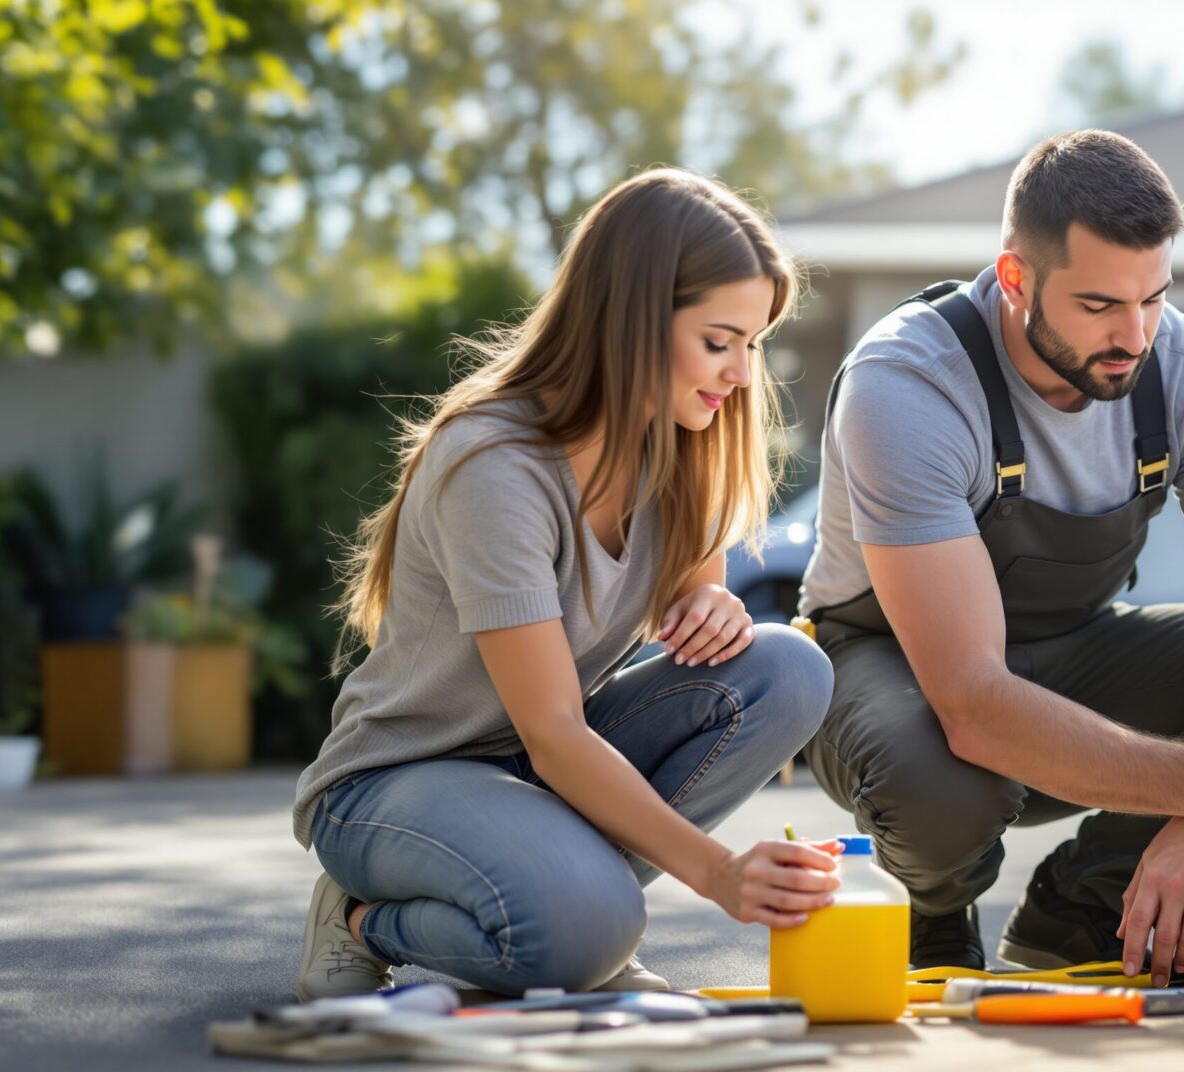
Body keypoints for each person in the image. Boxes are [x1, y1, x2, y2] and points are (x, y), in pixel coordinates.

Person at [796, 131, 1184, 987]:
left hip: (1068, 652)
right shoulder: (908, 382)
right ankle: (933, 906)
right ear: (1016, 278)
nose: (1134, 335)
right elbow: (973, 702)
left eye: (1153, 299)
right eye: (1098, 306)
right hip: (893, 670)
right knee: (944, 789)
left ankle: (1079, 909)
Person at [290, 168, 838, 1002]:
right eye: (719, 340)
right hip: (399, 781)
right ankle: (365, 915)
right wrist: (720, 873)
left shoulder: (679, 444)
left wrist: (710, 604)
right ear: (629, 322)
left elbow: (698, 588)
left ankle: (579, 908)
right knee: (585, 935)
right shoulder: (495, 466)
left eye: (754, 343)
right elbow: (551, 729)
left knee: (790, 668)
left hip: (535, 774)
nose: (739, 373)